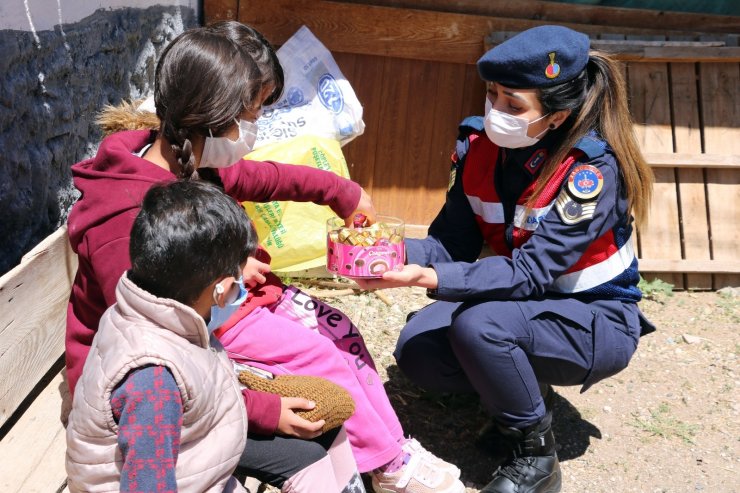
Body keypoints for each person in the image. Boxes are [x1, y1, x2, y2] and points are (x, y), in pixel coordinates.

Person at [66, 20, 463, 493]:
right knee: (320, 356)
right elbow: (163, 349)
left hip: (217, 313)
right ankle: (387, 463)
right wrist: (264, 406)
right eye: (251, 116)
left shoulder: (189, 159)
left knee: (340, 331)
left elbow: (266, 177)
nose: (254, 130)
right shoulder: (127, 221)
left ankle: (387, 449)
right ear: (214, 115)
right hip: (168, 365)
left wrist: (343, 192)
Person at [357, 25, 656, 493]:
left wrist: (427, 277)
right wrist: (380, 251)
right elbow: (449, 244)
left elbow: (529, 272)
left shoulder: (590, 172)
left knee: (480, 328)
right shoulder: (479, 148)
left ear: (556, 115)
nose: (496, 111)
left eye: (513, 104)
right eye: (492, 95)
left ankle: (535, 457)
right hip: (523, 309)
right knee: (419, 351)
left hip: (596, 320)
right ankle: (522, 390)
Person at [66, 180, 363, 492]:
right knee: (309, 460)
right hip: (180, 470)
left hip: (191, 444)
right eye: (240, 278)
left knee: (323, 433)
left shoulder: (161, 309)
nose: (243, 288)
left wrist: (267, 409)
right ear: (220, 289)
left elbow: (203, 391)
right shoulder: (152, 380)